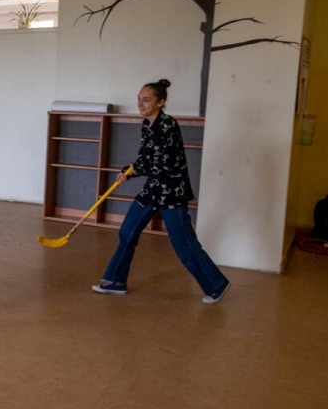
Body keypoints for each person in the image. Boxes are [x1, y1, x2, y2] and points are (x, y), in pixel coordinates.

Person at [93, 79, 231, 303]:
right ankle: (116, 281)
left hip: (172, 192)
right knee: (127, 231)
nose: (140, 104)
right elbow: (145, 159)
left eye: (146, 100)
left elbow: (165, 163)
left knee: (184, 244)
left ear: (161, 102)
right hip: (153, 189)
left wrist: (137, 169)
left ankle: (216, 284)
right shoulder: (147, 125)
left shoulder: (169, 125)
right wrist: (129, 170)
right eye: (138, 99)